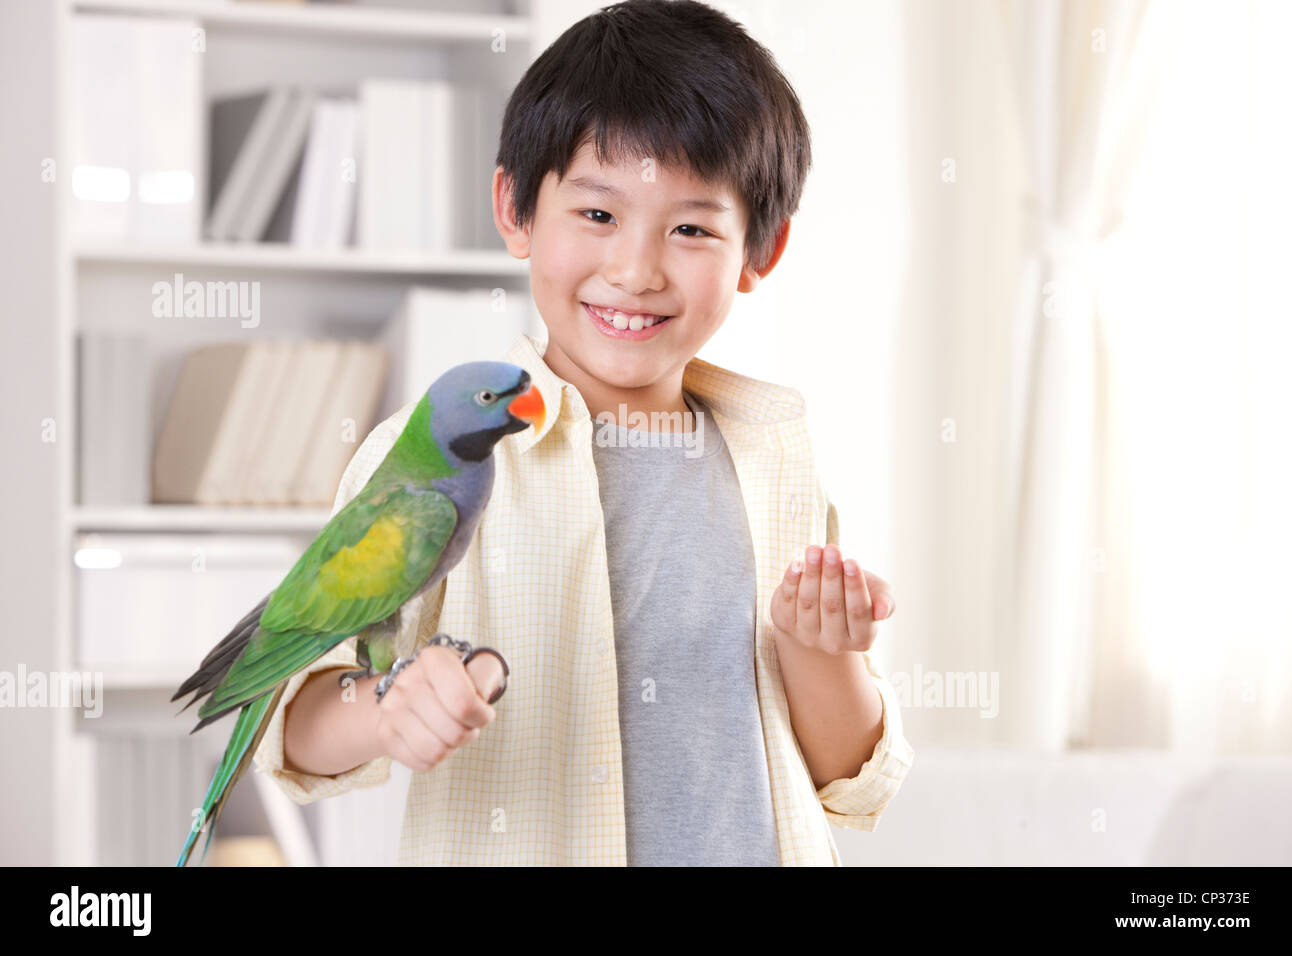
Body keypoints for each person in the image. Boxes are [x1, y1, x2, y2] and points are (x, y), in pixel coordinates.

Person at [255, 0, 913, 866]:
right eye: (598, 215)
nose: (635, 271)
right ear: (516, 209)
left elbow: (843, 776)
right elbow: (293, 725)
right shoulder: (431, 458)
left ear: (762, 249)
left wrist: (822, 652)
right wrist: (386, 707)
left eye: (690, 228)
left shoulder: (774, 457)